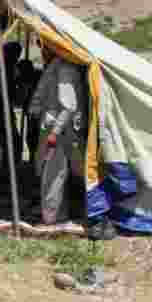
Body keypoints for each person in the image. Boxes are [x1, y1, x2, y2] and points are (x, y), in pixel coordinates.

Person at [27, 43, 89, 225]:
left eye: (45, 47)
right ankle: (60, 213)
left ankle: (52, 218)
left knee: (53, 174)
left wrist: (54, 132)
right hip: (60, 129)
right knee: (64, 173)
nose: (42, 51)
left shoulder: (64, 68)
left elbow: (69, 106)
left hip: (60, 131)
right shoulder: (57, 66)